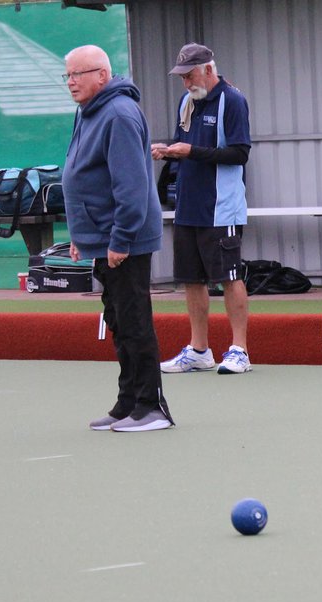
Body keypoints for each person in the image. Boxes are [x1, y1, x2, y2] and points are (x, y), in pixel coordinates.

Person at [63, 45, 173, 432]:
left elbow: (131, 186)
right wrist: (82, 234)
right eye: (68, 75)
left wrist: (121, 239)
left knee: (134, 319)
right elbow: (84, 176)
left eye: (79, 74)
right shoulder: (88, 112)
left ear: (102, 76)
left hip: (125, 240)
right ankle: (128, 402)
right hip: (102, 236)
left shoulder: (119, 114)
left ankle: (152, 406)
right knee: (117, 319)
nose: (72, 82)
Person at [152, 43, 254, 374]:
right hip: (188, 206)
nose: (185, 83)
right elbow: (185, 144)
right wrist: (167, 151)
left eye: (190, 75)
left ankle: (239, 350)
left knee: (229, 276)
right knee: (191, 279)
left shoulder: (233, 100)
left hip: (221, 208)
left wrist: (191, 151)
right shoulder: (187, 101)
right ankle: (199, 350)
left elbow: (239, 153)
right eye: (181, 77)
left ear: (209, 70)